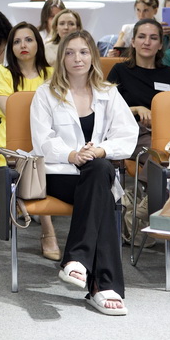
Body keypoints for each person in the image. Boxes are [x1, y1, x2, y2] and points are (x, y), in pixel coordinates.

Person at [30, 31, 137, 316]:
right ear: (61, 58)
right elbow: (42, 140)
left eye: (84, 52)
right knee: (102, 191)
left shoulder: (108, 93)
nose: (77, 58)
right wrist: (72, 155)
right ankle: (104, 286)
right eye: (70, 52)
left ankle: (76, 261)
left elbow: (127, 134)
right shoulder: (46, 93)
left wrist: (100, 150)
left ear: (93, 57)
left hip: (95, 173)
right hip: (58, 174)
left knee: (99, 170)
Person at [0, 22, 54, 259]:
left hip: (44, 138)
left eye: (28, 39)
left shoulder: (51, 74)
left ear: (38, 44)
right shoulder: (2, 73)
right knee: (32, 164)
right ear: (11, 47)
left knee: (42, 161)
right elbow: (12, 111)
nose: (23, 45)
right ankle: (47, 230)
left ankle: (43, 225)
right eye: (16, 41)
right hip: (10, 140)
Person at [108, 18, 170, 155]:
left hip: (167, 133)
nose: (147, 42)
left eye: (153, 38)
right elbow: (107, 111)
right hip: (132, 133)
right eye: (141, 37)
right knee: (160, 155)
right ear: (133, 42)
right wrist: (136, 109)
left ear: (160, 45)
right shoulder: (120, 71)